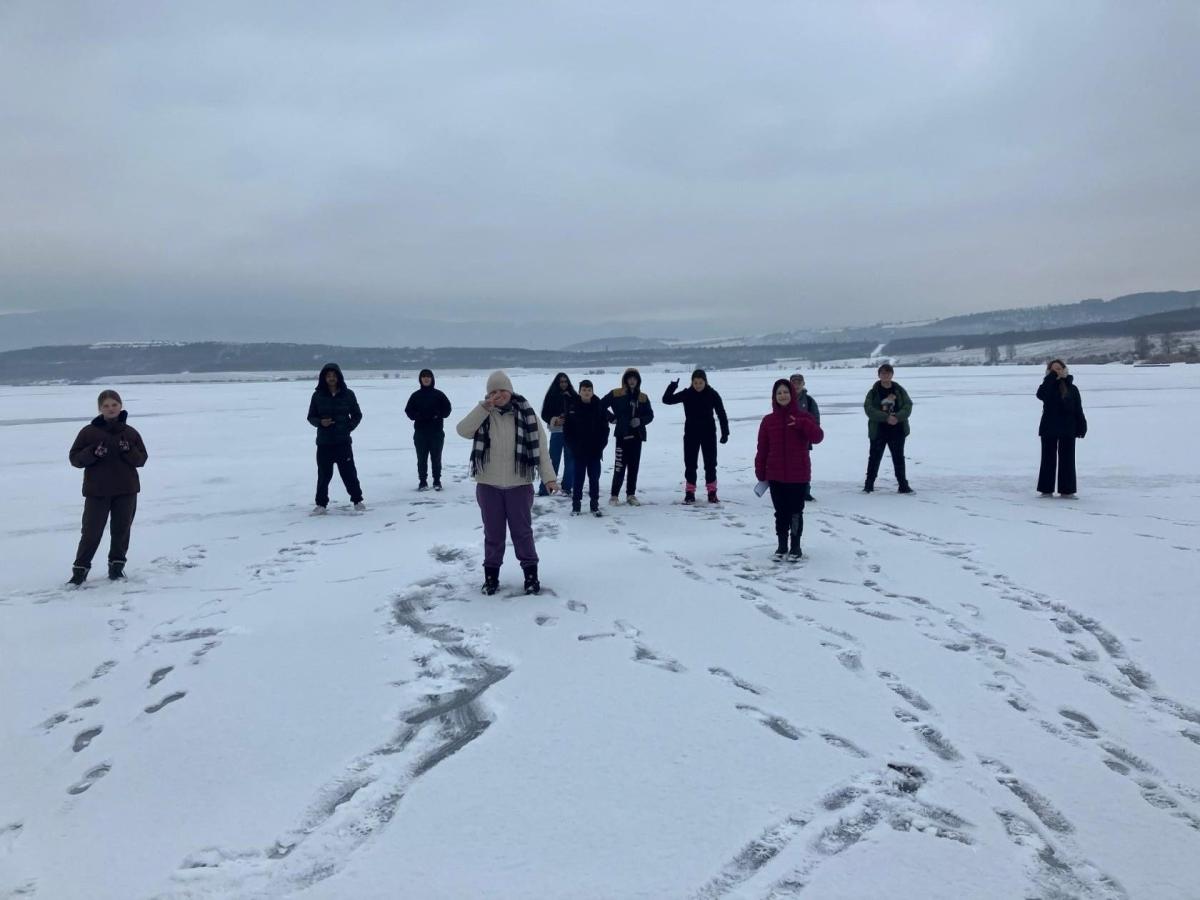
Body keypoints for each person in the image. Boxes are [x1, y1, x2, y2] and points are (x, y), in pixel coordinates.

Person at [457, 370, 558, 595]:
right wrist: (483, 408)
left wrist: (549, 478)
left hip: (519, 485)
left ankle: (531, 575)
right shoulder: (484, 414)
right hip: (488, 485)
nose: (498, 395)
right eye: (493, 391)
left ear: (510, 391)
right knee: (493, 534)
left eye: (502, 390)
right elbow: (463, 430)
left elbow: (542, 450)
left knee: (522, 533)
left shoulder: (528, 415)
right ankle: (491, 577)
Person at [67, 390, 149, 585]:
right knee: (91, 532)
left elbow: (141, 460)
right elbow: (75, 459)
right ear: (99, 409)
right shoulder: (88, 432)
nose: (110, 409)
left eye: (114, 405)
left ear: (120, 406)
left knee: (121, 530)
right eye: (106, 406)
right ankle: (80, 571)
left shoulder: (130, 433)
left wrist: (128, 450)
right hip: (97, 491)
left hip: (126, 490)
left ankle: (116, 568)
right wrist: (93, 453)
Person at [756, 379, 824, 559]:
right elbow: (762, 449)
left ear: (792, 394)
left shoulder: (804, 417)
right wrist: (760, 471)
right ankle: (781, 546)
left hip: (798, 475)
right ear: (774, 397)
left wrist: (802, 424)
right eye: (779, 393)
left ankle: (795, 546)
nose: (783, 395)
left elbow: (818, 437)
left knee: (795, 512)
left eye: (786, 392)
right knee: (780, 513)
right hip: (775, 475)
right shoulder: (768, 421)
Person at [662, 368, 730, 504]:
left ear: (705, 382)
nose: (698, 385)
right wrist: (672, 386)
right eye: (695, 383)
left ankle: (712, 492)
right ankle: (690, 493)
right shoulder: (687, 394)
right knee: (690, 464)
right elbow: (667, 400)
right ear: (692, 382)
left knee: (710, 464)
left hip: (708, 434)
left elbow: (721, 413)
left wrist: (725, 432)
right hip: (691, 434)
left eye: (700, 382)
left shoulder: (712, 394)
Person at [307, 363, 365, 514]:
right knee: (324, 475)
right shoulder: (317, 395)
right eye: (328, 376)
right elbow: (311, 417)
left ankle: (357, 500)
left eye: (334, 375)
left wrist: (348, 427)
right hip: (324, 443)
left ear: (339, 377)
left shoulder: (348, 394)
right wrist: (321, 422)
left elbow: (357, 415)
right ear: (324, 378)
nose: (331, 378)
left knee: (349, 473)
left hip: (343, 442)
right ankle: (321, 504)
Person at [600, 367, 654, 506]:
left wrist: (640, 421)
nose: (632, 381)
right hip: (622, 435)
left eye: (634, 378)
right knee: (619, 466)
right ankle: (614, 496)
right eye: (629, 378)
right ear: (625, 380)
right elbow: (600, 406)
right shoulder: (616, 393)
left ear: (638, 381)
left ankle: (631, 495)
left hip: (637, 436)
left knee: (633, 467)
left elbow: (650, 415)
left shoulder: (642, 397)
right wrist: (611, 418)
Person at [1036, 359, 1087, 498]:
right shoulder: (1047, 386)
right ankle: (1046, 490)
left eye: (1058, 369)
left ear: (1064, 369)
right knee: (1048, 459)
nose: (1056, 371)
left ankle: (1067, 490)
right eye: (1053, 369)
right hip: (1049, 427)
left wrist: (1082, 425)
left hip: (1068, 428)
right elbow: (1040, 395)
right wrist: (1051, 378)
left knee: (1067, 460)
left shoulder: (1072, 388)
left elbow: (1078, 409)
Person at [863, 363, 913, 494]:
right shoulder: (873, 392)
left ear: (892, 374)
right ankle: (868, 485)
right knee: (874, 458)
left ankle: (903, 485)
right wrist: (886, 417)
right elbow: (868, 409)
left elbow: (908, 405)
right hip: (879, 430)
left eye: (888, 373)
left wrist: (897, 417)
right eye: (883, 373)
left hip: (897, 429)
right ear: (879, 375)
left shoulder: (899, 390)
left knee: (898, 458)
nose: (885, 375)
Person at [563, 379, 610, 517]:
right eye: (584, 390)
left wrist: (601, 446)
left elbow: (605, 429)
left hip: (595, 451)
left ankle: (594, 506)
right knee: (578, 479)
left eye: (589, 390)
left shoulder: (599, 406)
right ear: (579, 391)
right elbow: (567, 430)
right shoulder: (573, 406)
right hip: (578, 451)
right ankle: (576, 506)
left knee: (594, 479)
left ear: (592, 391)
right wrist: (573, 446)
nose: (587, 392)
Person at [404, 368, 452, 491]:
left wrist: (438, 414)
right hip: (420, 433)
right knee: (421, 459)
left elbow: (448, 409)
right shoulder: (415, 396)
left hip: (436, 433)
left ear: (432, 379)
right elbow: (408, 411)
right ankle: (423, 482)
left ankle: (437, 481)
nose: (426, 378)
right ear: (420, 379)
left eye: (428, 376)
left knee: (436, 458)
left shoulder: (439, 395)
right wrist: (418, 416)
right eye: (423, 376)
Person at [539, 373, 578, 497]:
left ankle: (567, 487)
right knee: (553, 460)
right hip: (557, 432)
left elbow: (580, 411)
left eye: (565, 381)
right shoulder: (551, 395)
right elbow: (544, 414)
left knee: (570, 460)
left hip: (571, 432)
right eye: (561, 382)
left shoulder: (573, 396)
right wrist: (555, 420)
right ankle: (546, 489)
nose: (564, 384)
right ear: (557, 383)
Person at [789, 372, 821, 502]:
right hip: (786, 440)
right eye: (794, 382)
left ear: (803, 384)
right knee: (787, 465)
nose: (796, 385)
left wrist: (809, 431)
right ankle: (788, 490)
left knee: (803, 466)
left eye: (799, 382)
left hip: (803, 441)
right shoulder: (784, 398)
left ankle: (805, 492)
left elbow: (816, 421)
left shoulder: (809, 401)